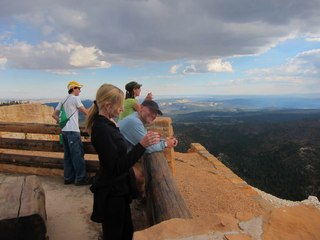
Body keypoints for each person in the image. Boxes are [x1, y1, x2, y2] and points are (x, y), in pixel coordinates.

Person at [85, 84, 160, 240]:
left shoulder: (108, 124)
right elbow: (116, 167)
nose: (122, 109)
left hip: (118, 188)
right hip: (112, 191)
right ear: (107, 105)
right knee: (115, 233)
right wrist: (141, 146)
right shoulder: (102, 129)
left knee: (125, 231)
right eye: (119, 105)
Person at [118, 100, 178, 198]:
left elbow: (147, 138)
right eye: (152, 111)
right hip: (118, 163)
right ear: (141, 107)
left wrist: (164, 140)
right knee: (140, 177)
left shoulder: (135, 118)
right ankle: (139, 199)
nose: (154, 115)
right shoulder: (134, 122)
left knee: (140, 173)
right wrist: (166, 144)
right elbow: (149, 148)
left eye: (156, 113)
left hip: (121, 157)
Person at [52, 81, 89, 185]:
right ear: (73, 88)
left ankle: (68, 178)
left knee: (67, 155)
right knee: (77, 155)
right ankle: (81, 179)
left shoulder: (63, 99)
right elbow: (86, 112)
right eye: (78, 88)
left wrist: (63, 123)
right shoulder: (75, 98)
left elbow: (54, 115)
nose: (80, 90)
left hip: (64, 131)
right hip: (73, 131)